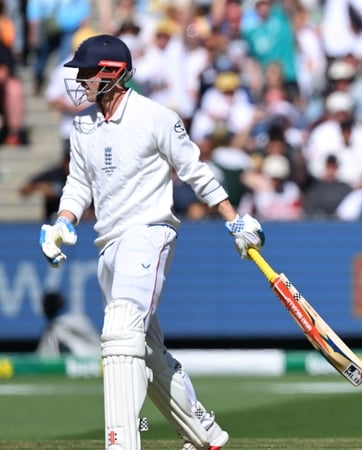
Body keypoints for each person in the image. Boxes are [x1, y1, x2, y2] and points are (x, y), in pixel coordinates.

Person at [38, 34, 265, 450]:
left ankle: (120, 444)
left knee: (121, 331)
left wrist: (234, 221)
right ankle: (206, 435)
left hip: (149, 232)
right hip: (108, 243)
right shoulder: (83, 125)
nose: (80, 81)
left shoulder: (156, 116)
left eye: (86, 73)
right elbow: (78, 183)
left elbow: (195, 170)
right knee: (144, 346)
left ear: (111, 73)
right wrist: (62, 222)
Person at [36, 290, 102, 358]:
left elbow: (43, 361)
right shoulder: (79, 319)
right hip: (99, 360)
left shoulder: (54, 329)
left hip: (86, 363)